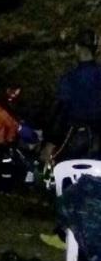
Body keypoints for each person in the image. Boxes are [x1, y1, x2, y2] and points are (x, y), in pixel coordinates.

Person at [42, 29, 101, 164]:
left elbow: (61, 111)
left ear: (76, 48)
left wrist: (50, 143)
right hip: (98, 139)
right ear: (95, 49)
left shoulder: (69, 79)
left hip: (74, 139)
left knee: (67, 177)